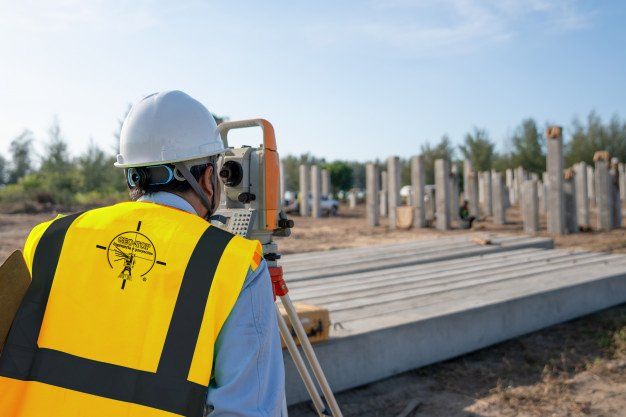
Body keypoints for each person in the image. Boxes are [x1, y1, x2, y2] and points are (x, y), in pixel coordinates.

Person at [0, 91, 286, 416]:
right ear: (208, 178)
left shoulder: (48, 239)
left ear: (131, 174)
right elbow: (249, 409)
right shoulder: (233, 264)